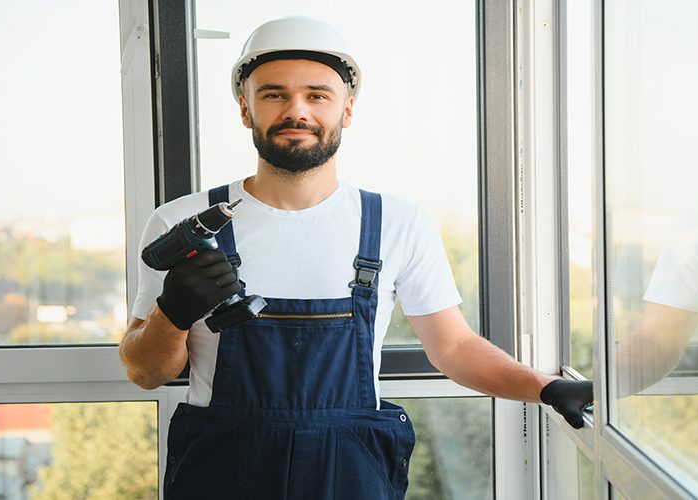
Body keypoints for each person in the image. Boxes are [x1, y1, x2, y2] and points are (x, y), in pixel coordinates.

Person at [118, 16, 593, 499]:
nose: (296, 110)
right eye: (274, 94)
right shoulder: (181, 223)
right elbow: (145, 372)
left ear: (347, 110)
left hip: (351, 472)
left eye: (318, 95)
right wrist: (171, 314)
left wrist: (544, 387)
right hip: (220, 471)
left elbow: (453, 348)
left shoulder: (396, 223)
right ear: (246, 110)